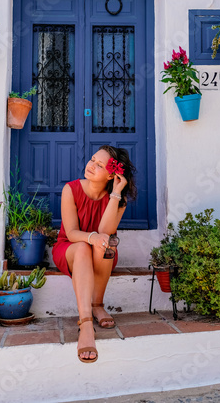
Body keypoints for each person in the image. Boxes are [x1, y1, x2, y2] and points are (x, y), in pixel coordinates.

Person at [52, 145, 137, 363]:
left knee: (106, 244)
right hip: (70, 248)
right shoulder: (71, 189)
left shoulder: (118, 200)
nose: (91, 165)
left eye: (99, 165)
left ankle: (97, 304)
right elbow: (70, 233)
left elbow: (105, 233)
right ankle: (86, 323)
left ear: (112, 174)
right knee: (83, 247)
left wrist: (116, 193)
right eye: (92, 160)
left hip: (101, 251)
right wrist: (91, 239)